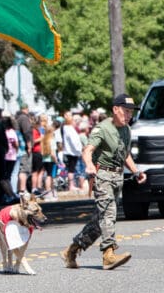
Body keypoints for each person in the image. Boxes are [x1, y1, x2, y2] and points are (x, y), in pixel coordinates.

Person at [61, 94, 147, 270]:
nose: (129, 115)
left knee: (99, 223)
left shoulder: (126, 130)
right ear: (115, 110)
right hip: (103, 177)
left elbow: (125, 154)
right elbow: (87, 150)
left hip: (118, 178)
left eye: (131, 112)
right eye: (126, 111)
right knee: (109, 214)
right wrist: (89, 165)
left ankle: (72, 249)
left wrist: (136, 171)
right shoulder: (102, 129)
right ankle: (109, 255)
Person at [15, 103, 33, 194]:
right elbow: (27, 132)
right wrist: (29, 145)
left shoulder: (17, 117)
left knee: (20, 169)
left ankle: (19, 189)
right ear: (26, 109)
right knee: (24, 169)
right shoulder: (24, 118)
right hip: (24, 148)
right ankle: (22, 189)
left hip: (19, 148)